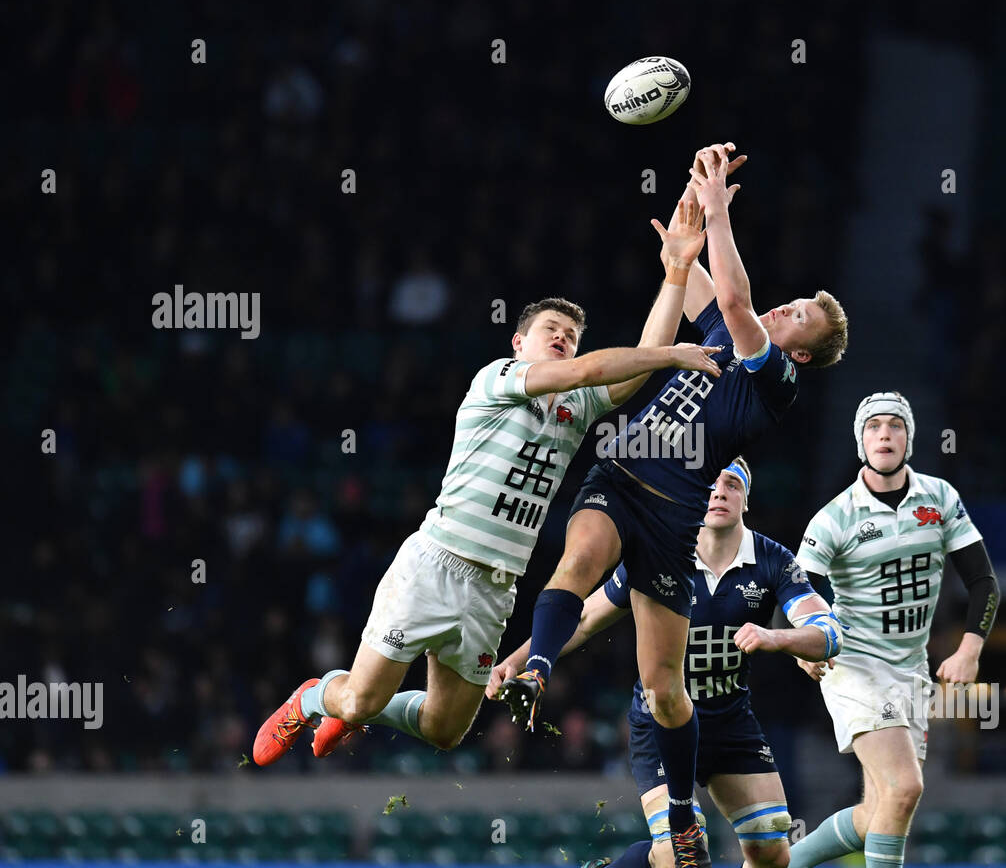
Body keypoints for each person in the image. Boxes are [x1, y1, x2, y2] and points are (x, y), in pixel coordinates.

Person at [250, 200, 722, 768]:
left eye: (571, 336)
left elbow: (633, 371)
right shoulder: (497, 380)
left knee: (445, 728)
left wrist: (675, 274)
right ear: (519, 344)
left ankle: (354, 712)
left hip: (495, 588)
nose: (564, 341)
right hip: (436, 564)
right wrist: (672, 352)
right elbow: (593, 368)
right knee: (360, 694)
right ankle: (317, 697)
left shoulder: (573, 408)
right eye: (552, 330)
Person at [496, 142, 849, 868]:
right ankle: (537, 669)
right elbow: (694, 297)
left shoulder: (776, 379)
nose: (785, 310)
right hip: (622, 469)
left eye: (800, 317)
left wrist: (720, 206)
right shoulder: (731, 328)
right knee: (576, 562)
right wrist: (686, 249)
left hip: (671, 519)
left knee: (664, 689)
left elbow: (732, 303)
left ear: (805, 354)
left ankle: (680, 818)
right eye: (791, 302)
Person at [490, 459, 840, 868]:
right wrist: (519, 661)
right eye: (710, 484)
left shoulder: (772, 560)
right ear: (692, 494)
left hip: (729, 721)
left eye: (732, 485)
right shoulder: (656, 552)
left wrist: (778, 637)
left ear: (746, 500)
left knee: (773, 856)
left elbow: (829, 634)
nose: (718, 493)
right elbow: (583, 617)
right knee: (676, 866)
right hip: (660, 723)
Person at [778, 391, 1000, 868]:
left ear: (908, 438)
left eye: (895, 426)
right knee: (905, 788)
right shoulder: (834, 518)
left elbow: (983, 582)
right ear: (861, 441)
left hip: (910, 670)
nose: (885, 434)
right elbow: (791, 594)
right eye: (874, 426)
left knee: (875, 812)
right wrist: (801, 648)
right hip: (852, 664)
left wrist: (970, 647)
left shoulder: (940, 498)